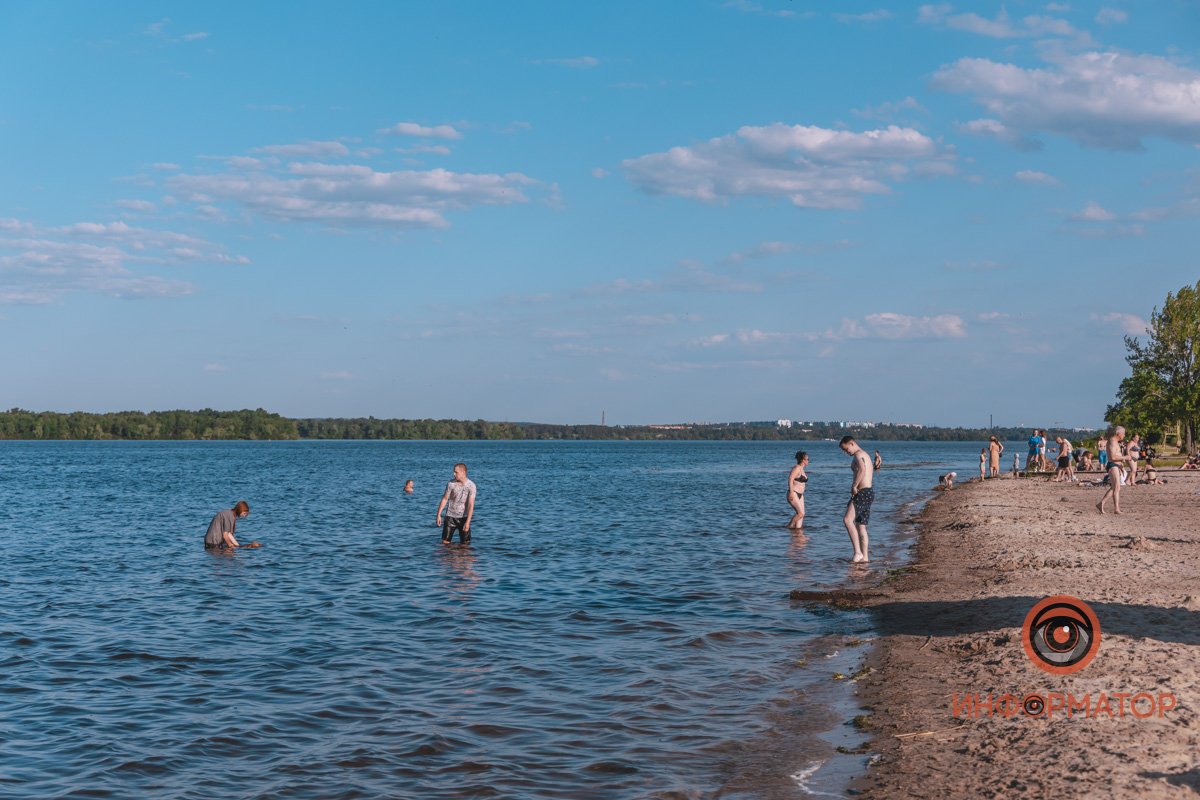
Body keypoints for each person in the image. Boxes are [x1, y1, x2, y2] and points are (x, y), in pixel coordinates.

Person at [839, 436, 873, 564]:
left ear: (852, 443)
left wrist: (854, 485)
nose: (846, 452)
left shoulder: (858, 455)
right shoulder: (866, 454)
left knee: (847, 520)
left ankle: (858, 553)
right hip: (869, 492)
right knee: (861, 527)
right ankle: (865, 558)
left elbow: (863, 469)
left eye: (846, 449)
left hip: (863, 493)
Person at [436, 462, 477, 545]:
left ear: (463, 472)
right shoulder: (451, 484)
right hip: (450, 517)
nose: (454, 474)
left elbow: (470, 504)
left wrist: (468, 522)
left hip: (464, 518)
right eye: (454, 472)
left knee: (465, 546)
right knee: (445, 544)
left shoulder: (471, 486)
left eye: (456, 472)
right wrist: (439, 515)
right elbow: (444, 499)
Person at [1098, 427, 1132, 515]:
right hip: (1113, 465)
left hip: (1116, 465)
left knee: (1116, 487)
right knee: (1116, 487)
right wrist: (1125, 457)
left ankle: (1114, 507)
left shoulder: (1115, 442)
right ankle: (1106, 504)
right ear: (1119, 433)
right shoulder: (1112, 441)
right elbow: (1112, 457)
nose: (1124, 435)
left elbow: (1116, 455)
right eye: (1123, 433)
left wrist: (1121, 463)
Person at [787, 451, 809, 529]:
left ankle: (798, 531)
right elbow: (790, 479)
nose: (808, 460)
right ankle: (789, 527)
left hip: (800, 495)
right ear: (803, 460)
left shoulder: (802, 469)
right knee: (800, 514)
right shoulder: (796, 468)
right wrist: (791, 492)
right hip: (794, 493)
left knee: (802, 515)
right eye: (807, 459)